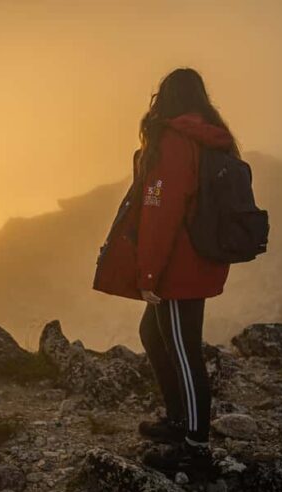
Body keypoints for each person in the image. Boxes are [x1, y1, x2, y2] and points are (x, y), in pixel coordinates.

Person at [92, 67, 240, 469]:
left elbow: (161, 210)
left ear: (166, 99)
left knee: (182, 347)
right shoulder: (209, 138)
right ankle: (178, 419)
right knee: (153, 334)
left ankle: (195, 444)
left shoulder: (175, 141)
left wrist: (150, 275)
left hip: (177, 267)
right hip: (199, 259)